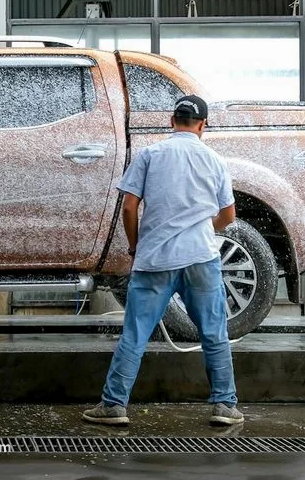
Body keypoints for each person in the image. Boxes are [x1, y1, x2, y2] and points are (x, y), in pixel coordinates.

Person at [82, 94, 243, 427]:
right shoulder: (213, 159)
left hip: (154, 260)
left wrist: (135, 246)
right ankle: (224, 407)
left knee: (135, 334)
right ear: (202, 125)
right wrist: (202, 228)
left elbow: (129, 207)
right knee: (213, 333)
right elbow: (228, 215)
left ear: (172, 121)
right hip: (200, 257)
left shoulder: (150, 155)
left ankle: (114, 405)